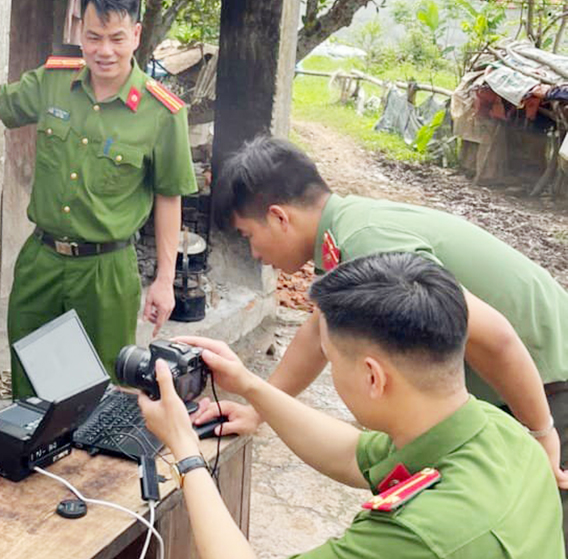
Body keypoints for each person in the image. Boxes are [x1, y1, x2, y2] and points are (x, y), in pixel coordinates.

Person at [132, 252, 568, 559]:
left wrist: (186, 454)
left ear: (372, 377)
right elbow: (352, 453)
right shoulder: (498, 433)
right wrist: (249, 386)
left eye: (332, 362)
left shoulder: (428, 537)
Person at [198, 135, 568, 497]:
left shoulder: (366, 241)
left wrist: (542, 432)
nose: (255, 253)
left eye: (248, 236)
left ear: (279, 217)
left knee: (549, 536)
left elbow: (494, 335)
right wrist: (258, 411)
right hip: (529, 386)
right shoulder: (344, 233)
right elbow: (317, 334)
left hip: (549, 388)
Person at [0, 0, 198, 397]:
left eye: (117, 38)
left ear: (136, 35)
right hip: (41, 262)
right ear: (79, 32)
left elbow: (168, 196)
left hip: (106, 273)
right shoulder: (54, 82)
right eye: (93, 36)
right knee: (31, 387)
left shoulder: (161, 112)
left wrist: (164, 278)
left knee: (100, 391)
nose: (104, 50)